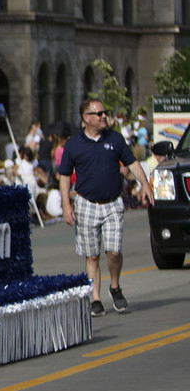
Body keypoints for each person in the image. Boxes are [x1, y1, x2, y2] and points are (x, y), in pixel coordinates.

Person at [58, 98, 154, 317]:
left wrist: (146, 185)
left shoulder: (116, 139)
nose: (104, 117)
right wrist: (66, 204)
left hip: (112, 203)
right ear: (86, 118)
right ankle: (96, 298)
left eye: (104, 112)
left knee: (114, 252)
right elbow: (64, 176)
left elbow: (132, 163)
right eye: (98, 113)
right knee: (92, 256)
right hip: (86, 204)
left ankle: (115, 286)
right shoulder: (74, 144)